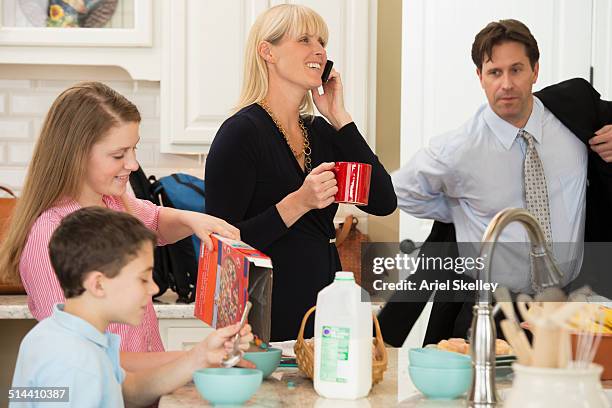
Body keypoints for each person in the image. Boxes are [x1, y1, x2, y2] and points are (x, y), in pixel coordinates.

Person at [378, 19, 612, 346]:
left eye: (516, 70)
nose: (506, 84)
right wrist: (458, 209)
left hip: (572, 310)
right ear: (480, 77)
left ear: (535, 70)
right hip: (492, 314)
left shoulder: (574, 106)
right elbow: (409, 204)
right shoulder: (460, 150)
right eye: (494, 72)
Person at [0, 81, 240, 370]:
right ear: (76, 154)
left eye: (133, 150)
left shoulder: (113, 202)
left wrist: (192, 219)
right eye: (119, 154)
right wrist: (197, 358)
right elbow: (81, 358)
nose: (133, 164)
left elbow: (155, 222)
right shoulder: (50, 238)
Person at [205, 4, 397, 341]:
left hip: (324, 306)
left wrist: (340, 117)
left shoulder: (320, 132)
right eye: (305, 39)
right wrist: (299, 202)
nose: (319, 51)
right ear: (268, 51)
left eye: (322, 41)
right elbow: (222, 244)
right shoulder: (241, 133)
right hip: (265, 314)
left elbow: (383, 201)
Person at [10, 207, 253, 407]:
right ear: (98, 284)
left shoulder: (61, 334)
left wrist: (200, 356)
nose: (154, 289)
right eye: (143, 278)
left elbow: (129, 390)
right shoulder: (76, 367)